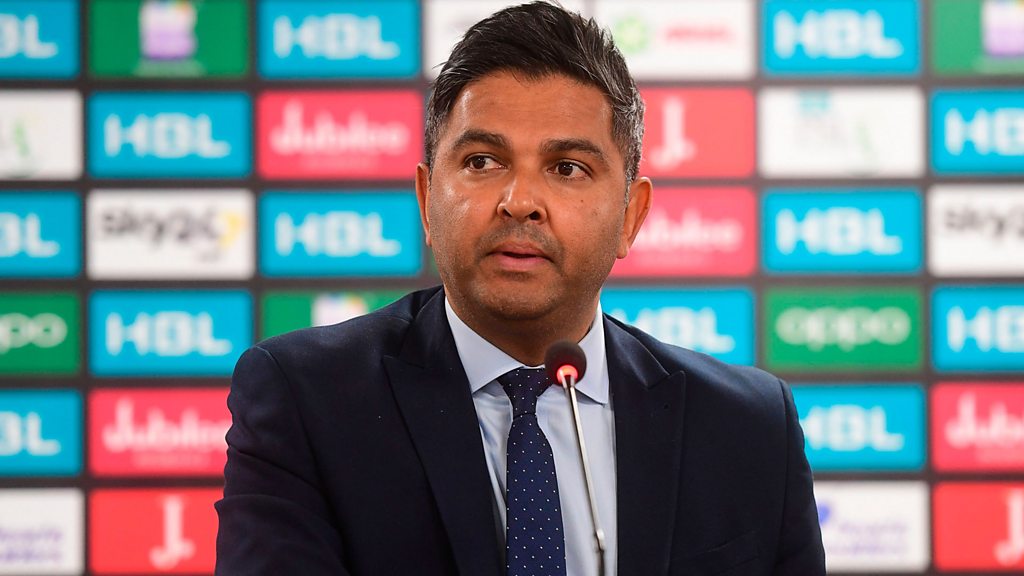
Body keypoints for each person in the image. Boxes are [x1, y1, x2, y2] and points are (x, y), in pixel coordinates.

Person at [215, 2, 825, 575]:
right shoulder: (307, 399)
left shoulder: (749, 427)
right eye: (482, 161)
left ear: (631, 216)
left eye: (567, 168)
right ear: (427, 200)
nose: (520, 201)